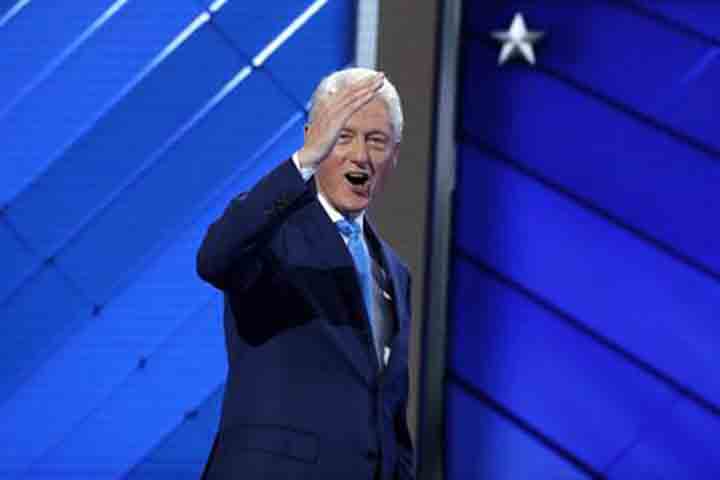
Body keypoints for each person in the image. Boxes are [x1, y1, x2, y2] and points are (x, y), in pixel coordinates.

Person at [196, 67, 414, 479]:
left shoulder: (395, 271)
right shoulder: (273, 233)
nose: (360, 155)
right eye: (342, 136)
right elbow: (214, 258)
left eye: (376, 141)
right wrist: (303, 162)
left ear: (394, 155)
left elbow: (389, 410)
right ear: (314, 138)